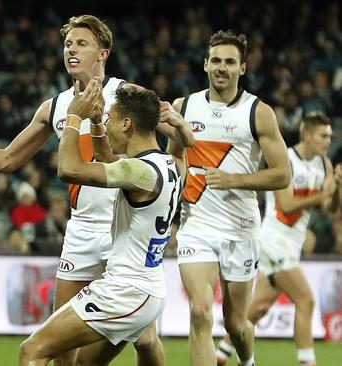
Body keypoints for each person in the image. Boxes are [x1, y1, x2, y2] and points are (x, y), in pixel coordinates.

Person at [0, 15, 194, 365]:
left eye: (82, 43)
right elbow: (8, 159)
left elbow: (162, 148)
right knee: (61, 353)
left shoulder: (129, 98)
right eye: (68, 43)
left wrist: (182, 134)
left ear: (103, 53)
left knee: (145, 337)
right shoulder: (55, 107)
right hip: (82, 230)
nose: (71, 49)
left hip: (124, 230)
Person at [19, 81, 183, 365]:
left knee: (33, 350)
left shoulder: (139, 171)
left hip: (125, 291)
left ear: (127, 124)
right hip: (147, 289)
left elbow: (68, 169)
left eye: (111, 120)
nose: (107, 126)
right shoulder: (167, 164)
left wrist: (74, 117)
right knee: (85, 364)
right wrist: (95, 122)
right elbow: (108, 158)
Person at [175, 30, 291, 366]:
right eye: (216, 60)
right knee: (199, 311)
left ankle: (247, 362)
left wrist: (234, 180)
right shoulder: (186, 107)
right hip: (196, 226)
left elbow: (283, 173)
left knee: (236, 324)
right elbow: (175, 156)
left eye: (229, 61)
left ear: (243, 68)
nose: (221, 67)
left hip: (241, 229)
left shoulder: (258, 113)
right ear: (206, 64)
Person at [217, 113, 341, 366]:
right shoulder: (288, 160)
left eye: (329, 136)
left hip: (291, 245)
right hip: (274, 240)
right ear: (307, 135)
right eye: (323, 135)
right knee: (306, 300)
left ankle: (220, 356)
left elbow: (329, 209)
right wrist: (320, 197)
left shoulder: (324, 164)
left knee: (257, 309)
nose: (328, 140)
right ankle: (308, 362)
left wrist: (336, 188)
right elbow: (285, 204)